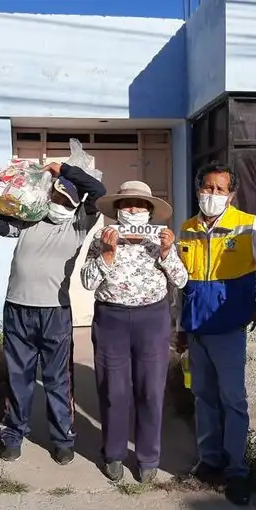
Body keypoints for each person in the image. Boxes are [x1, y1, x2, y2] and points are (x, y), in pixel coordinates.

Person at [175, 162, 256, 506]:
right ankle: (210, 461)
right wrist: (180, 326)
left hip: (229, 329)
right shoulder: (187, 228)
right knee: (203, 397)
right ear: (198, 189)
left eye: (219, 189)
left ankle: (237, 471)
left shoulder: (246, 226)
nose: (211, 194)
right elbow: (181, 283)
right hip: (197, 330)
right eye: (206, 187)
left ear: (231, 195)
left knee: (233, 400)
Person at [0, 161, 106, 465]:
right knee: (18, 377)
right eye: (54, 197)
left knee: (57, 380)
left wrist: (62, 169)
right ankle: (13, 434)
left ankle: (62, 439)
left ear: (75, 204)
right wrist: (21, 192)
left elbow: (99, 191)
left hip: (55, 314)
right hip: (18, 309)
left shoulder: (79, 225)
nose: (58, 204)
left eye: (65, 200)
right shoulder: (30, 219)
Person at [80, 180, 188, 483]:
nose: (133, 209)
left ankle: (148, 458)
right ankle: (113, 453)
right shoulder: (103, 238)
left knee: (150, 391)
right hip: (110, 320)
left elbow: (180, 280)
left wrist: (167, 253)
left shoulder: (161, 239)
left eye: (140, 204)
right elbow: (87, 282)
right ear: (117, 209)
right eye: (127, 203)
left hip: (152, 320)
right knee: (114, 391)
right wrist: (107, 255)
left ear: (150, 210)